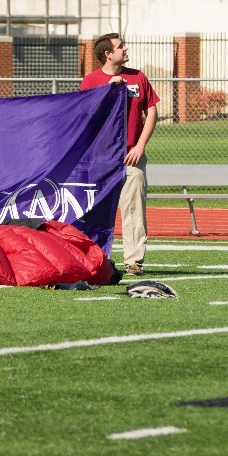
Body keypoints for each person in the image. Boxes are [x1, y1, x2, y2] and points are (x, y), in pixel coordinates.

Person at [80, 33, 159, 276]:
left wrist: (140, 146)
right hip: (101, 159)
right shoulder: (91, 81)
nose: (125, 49)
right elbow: (85, 116)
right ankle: (94, 259)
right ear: (108, 54)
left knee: (134, 208)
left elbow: (152, 111)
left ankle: (134, 260)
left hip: (131, 156)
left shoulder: (138, 76)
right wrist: (107, 90)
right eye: (120, 46)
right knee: (96, 209)